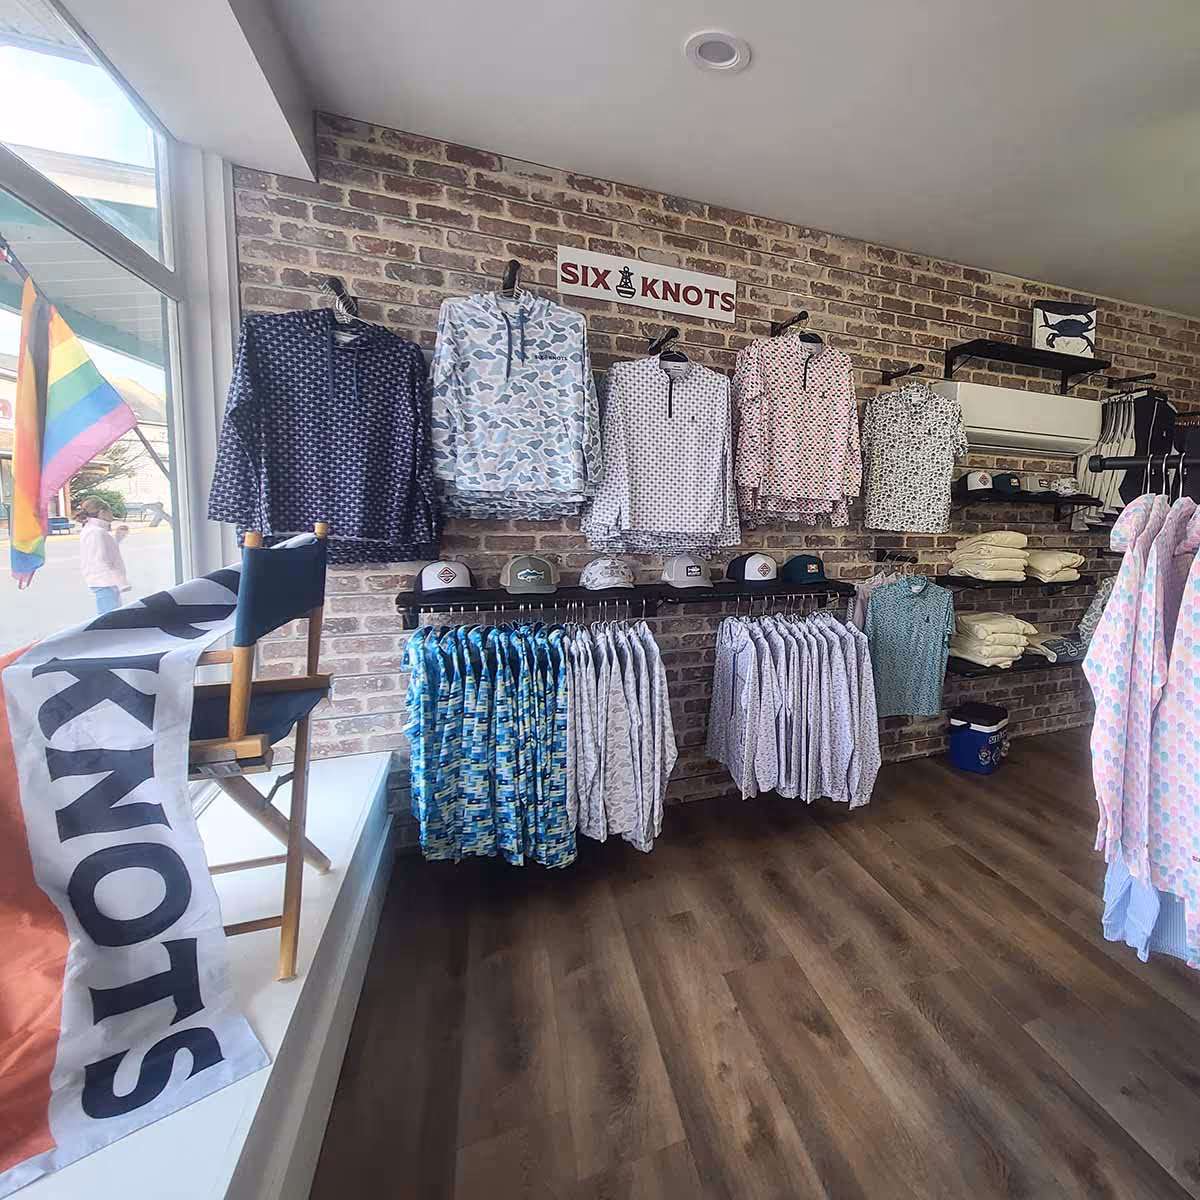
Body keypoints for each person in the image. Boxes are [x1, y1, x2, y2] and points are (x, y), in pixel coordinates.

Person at [76, 498, 132, 614]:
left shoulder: (95, 530)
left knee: (110, 617)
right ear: (102, 513)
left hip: (104, 581)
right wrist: (121, 583)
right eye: (109, 510)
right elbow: (101, 561)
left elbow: (106, 553)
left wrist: (117, 537)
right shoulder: (96, 532)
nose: (112, 514)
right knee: (110, 619)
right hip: (105, 582)